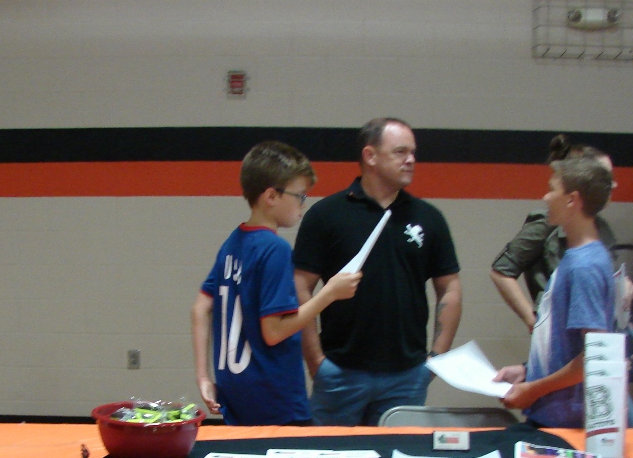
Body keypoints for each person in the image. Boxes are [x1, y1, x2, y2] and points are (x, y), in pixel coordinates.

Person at [292, 118, 462, 426]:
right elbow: (300, 286)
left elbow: (449, 286)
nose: (411, 160)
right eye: (400, 152)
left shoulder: (429, 217)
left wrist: (436, 359)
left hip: (407, 377)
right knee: (328, 455)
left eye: (413, 152)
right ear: (370, 156)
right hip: (339, 374)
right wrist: (316, 360)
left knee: (395, 457)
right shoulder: (326, 215)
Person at [191, 141, 361, 426]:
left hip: (236, 394)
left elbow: (199, 308)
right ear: (271, 196)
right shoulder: (275, 249)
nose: (303, 204)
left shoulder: (232, 243)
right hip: (274, 398)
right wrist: (329, 293)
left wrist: (203, 377)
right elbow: (273, 332)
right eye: (299, 195)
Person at [493, 155, 616, 428]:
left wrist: (534, 389)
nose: (546, 197)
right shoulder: (576, 258)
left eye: (552, 189)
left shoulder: (584, 266)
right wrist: (528, 371)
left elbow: (594, 357)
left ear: (572, 200)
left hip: (565, 422)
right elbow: (570, 348)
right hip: (555, 415)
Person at [490, 134, 617, 332]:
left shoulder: (601, 234)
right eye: (605, 177)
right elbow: (502, 271)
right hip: (558, 331)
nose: (612, 185)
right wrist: (534, 322)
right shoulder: (547, 224)